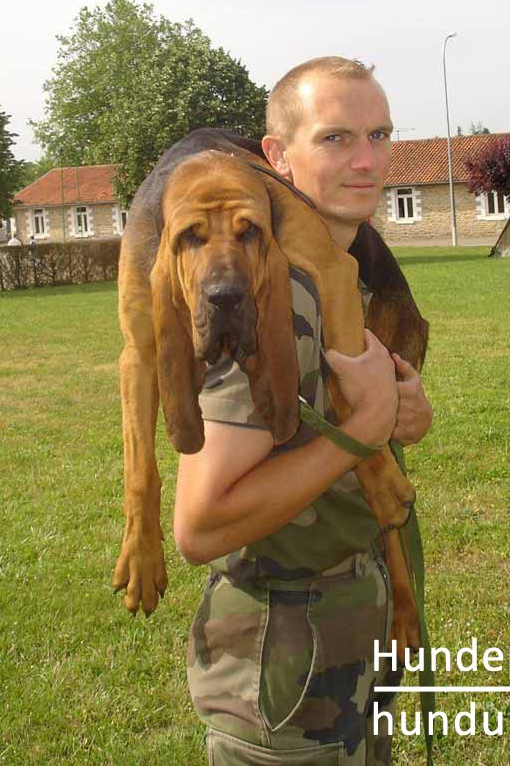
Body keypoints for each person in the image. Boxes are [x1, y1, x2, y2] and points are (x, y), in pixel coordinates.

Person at [175, 56, 433, 765]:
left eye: (380, 134)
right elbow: (199, 525)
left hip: (349, 649)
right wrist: (360, 434)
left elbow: (358, 420)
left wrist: (407, 412)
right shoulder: (267, 291)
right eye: (336, 138)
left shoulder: (348, 275)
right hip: (284, 680)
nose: (368, 159)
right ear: (276, 157)